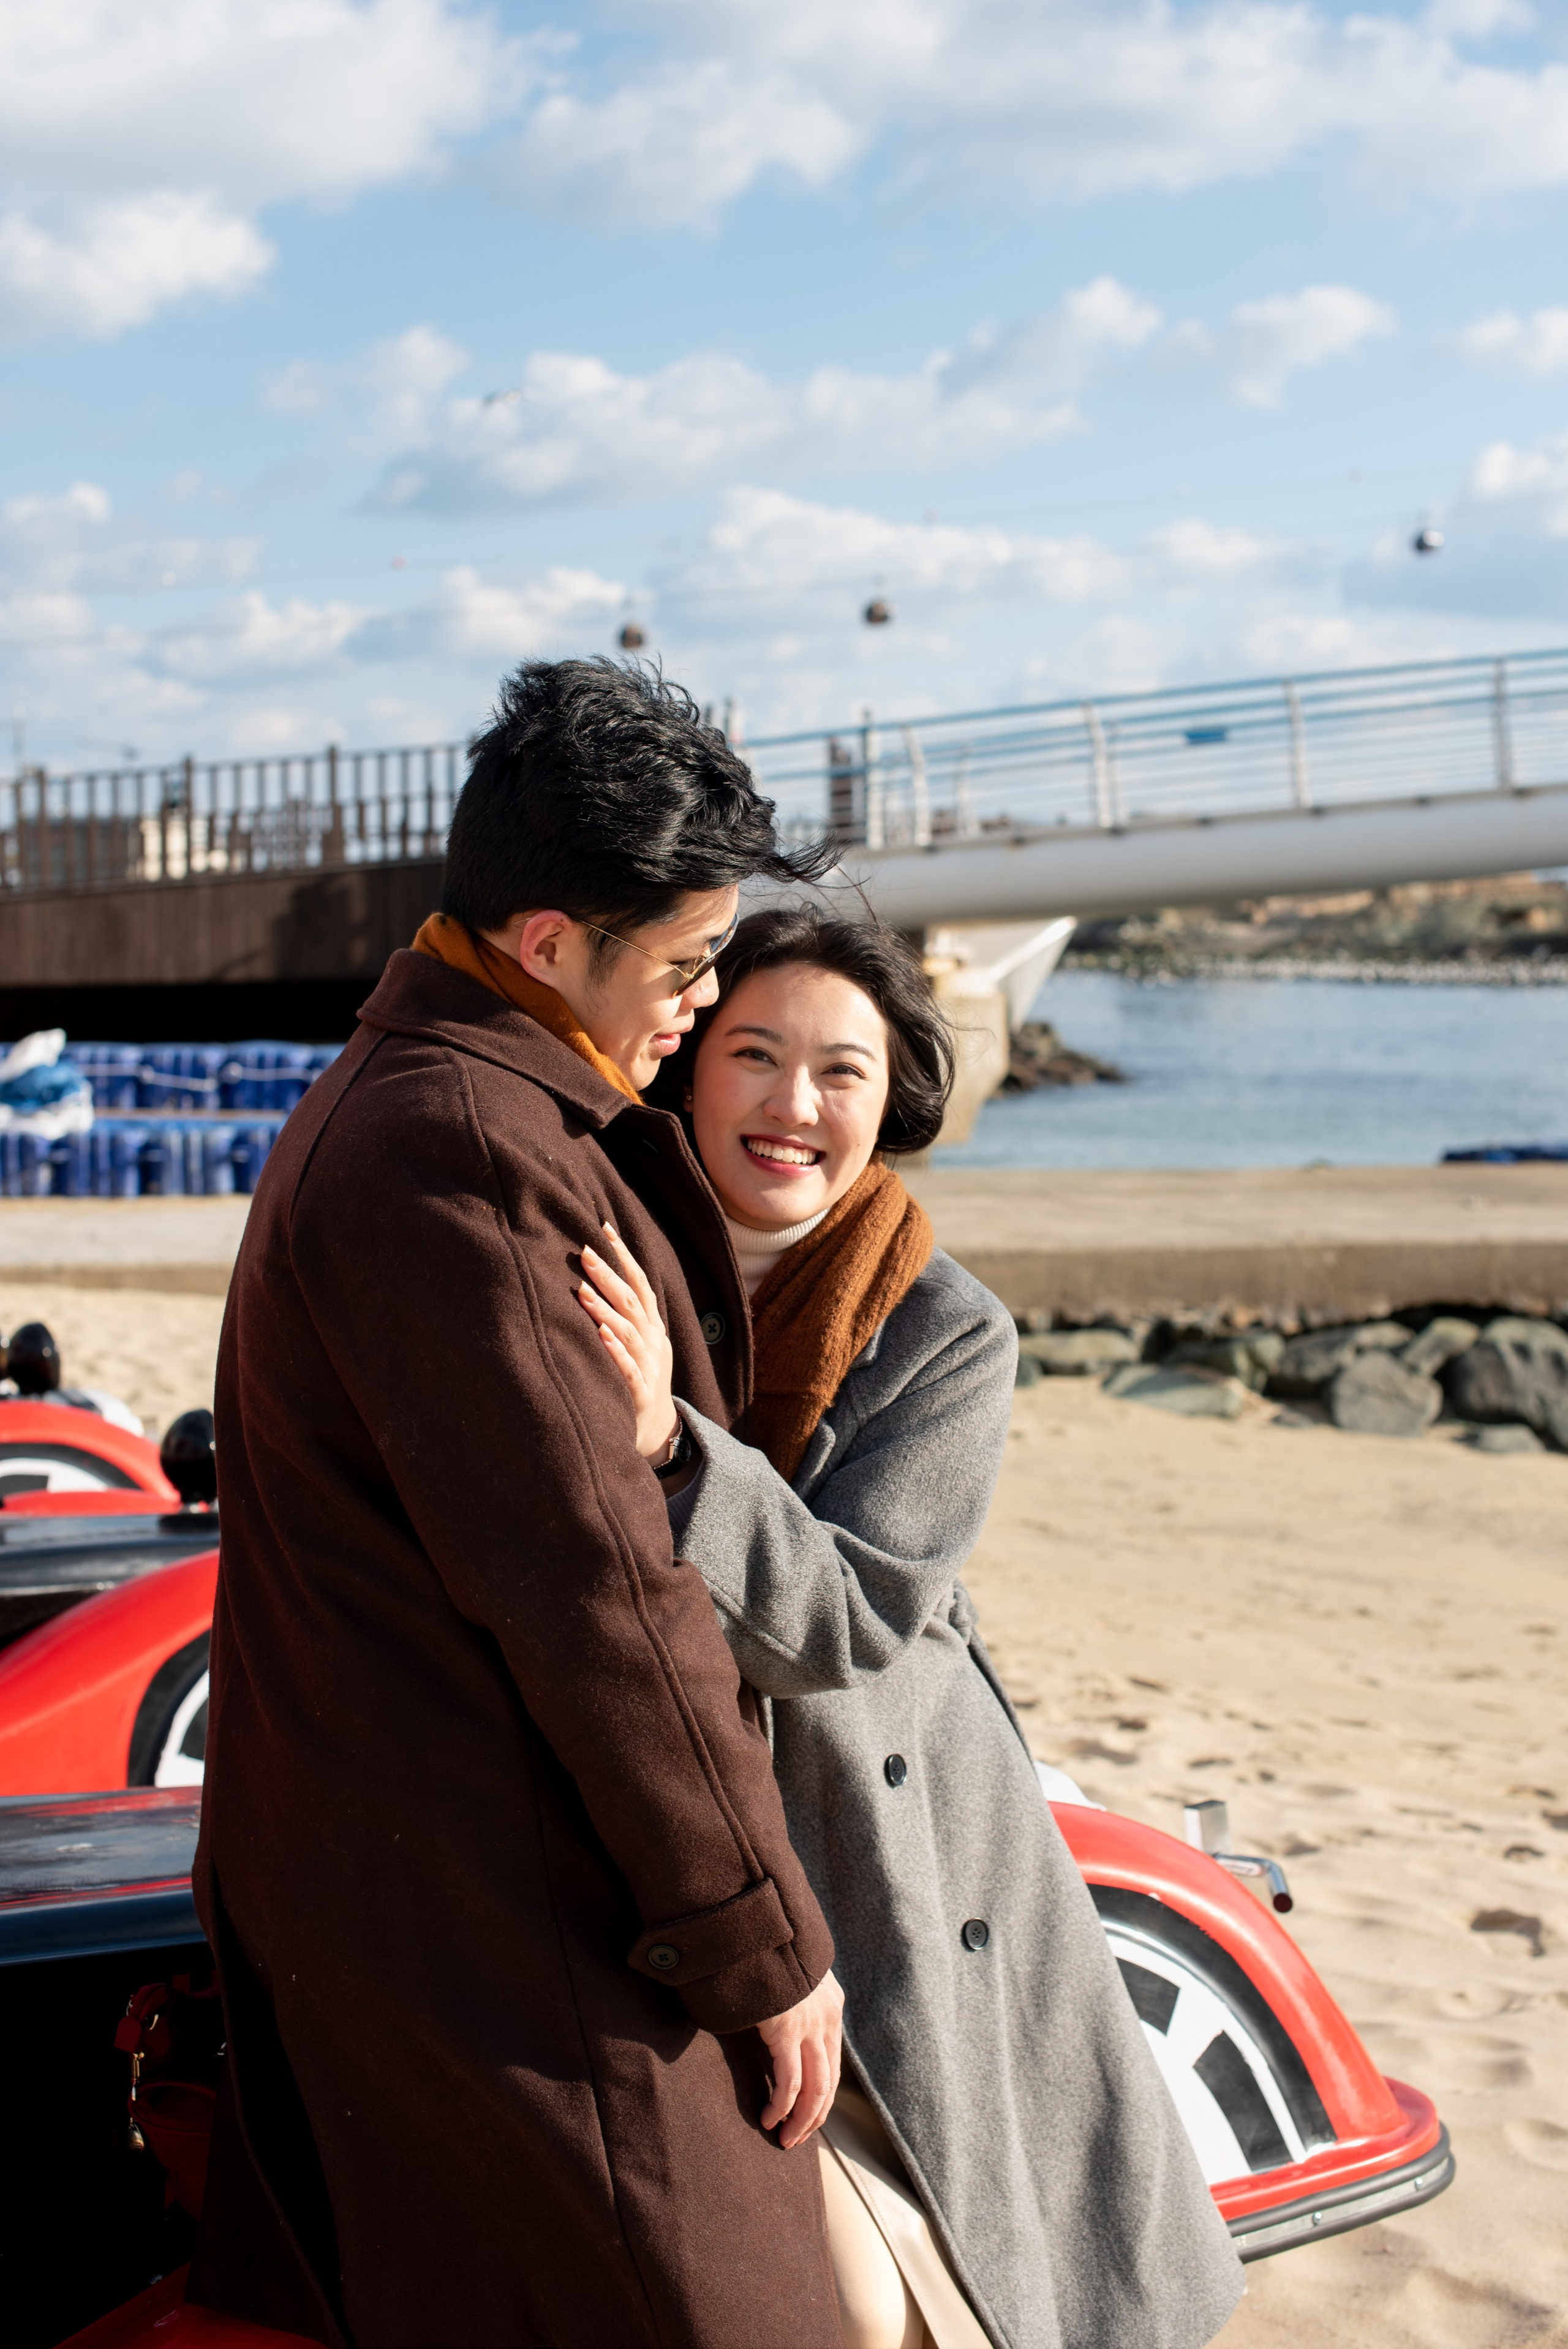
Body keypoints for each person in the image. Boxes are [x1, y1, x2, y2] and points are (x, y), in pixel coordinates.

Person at [191, 664, 847, 2349]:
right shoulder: (461, 1147)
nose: (700, 1004)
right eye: (688, 964)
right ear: (550, 941)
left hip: (444, 1898)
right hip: (513, 1935)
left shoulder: (423, 1096)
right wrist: (764, 1945)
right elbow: (597, 1597)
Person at [578, 905, 1246, 2349]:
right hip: (687, 1829)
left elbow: (851, 1612)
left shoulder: (944, 1328)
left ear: (890, 1105)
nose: (792, 1105)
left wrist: (673, 1448)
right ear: (689, 1066)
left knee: (915, 2275)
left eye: (840, 1073)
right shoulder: (612, 1255)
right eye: (753, 1054)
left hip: (894, 1839)